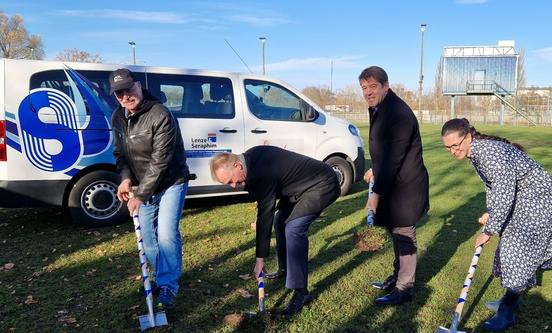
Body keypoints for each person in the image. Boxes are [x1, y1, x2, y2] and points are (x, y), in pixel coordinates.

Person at [441, 117, 552, 331]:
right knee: (514, 253)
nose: (453, 150)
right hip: (524, 200)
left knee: (515, 252)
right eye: (448, 147)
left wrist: (489, 230)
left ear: (468, 136)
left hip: (538, 201)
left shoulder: (490, 153)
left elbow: (504, 191)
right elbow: (492, 188)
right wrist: (490, 212)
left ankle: (507, 312)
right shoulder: (476, 153)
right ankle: (508, 302)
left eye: (456, 144)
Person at [210, 146, 340, 316]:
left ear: (237, 166)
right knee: (280, 222)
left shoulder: (260, 171)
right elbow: (265, 205)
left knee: (294, 229)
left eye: (231, 181)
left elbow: (265, 213)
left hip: (322, 184)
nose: (233, 186)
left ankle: (301, 292)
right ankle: (284, 269)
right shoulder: (250, 160)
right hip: (298, 189)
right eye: (228, 184)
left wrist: (260, 260)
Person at [110, 68, 191, 309]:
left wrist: (141, 195)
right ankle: (161, 276)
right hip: (141, 185)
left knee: (166, 233)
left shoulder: (160, 114)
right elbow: (120, 155)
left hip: (171, 181)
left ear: (138, 85)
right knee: (148, 238)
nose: (125, 96)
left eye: (129, 89)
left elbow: (160, 160)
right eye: (119, 93)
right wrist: (125, 179)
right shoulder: (118, 117)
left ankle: (168, 284)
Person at [359, 66, 429, 305]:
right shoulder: (380, 107)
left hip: (407, 186)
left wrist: (375, 194)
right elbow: (384, 150)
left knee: (404, 234)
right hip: (393, 181)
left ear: (386, 86)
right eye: (364, 88)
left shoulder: (399, 114)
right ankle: (397, 276)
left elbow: (394, 157)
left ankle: (404, 287)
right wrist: (374, 168)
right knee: (394, 229)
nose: (368, 92)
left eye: (373, 87)